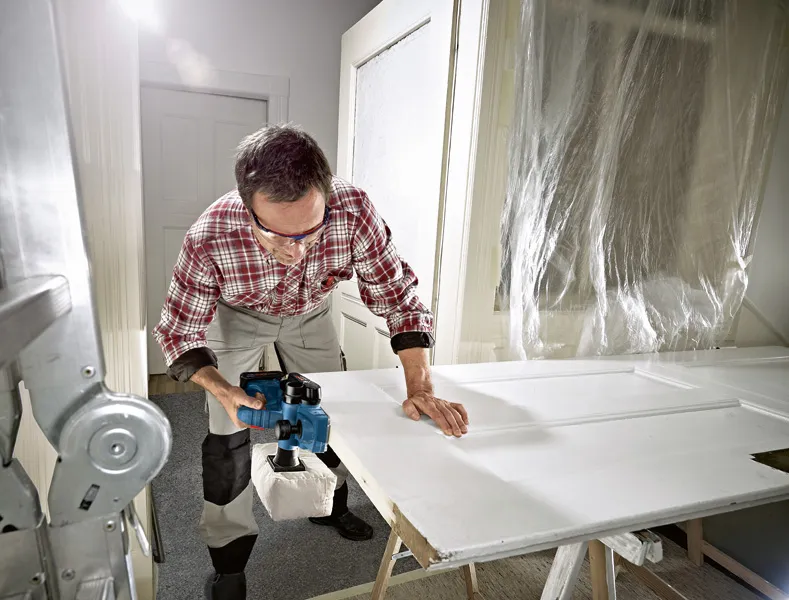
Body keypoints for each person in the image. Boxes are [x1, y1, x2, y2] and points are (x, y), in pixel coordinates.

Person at [153, 124, 469, 600]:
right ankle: (229, 559)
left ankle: (330, 505)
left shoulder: (354, 210)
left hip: (311, 311)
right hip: (236, 317)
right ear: (247, 206)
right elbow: (178, 333)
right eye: (276, 235)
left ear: (326, 194)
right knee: (228, 434)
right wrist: (225, 391)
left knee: (325, 411)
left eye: (310, 231)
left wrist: (420, 387)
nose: (296, 251)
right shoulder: (210, 235)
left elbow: (398, 299)